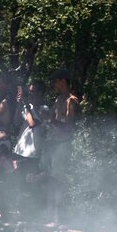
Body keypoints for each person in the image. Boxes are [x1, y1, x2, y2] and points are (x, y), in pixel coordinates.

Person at [47, 68, 79, 221]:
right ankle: (53, 216)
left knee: (59, 181)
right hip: (54, 145)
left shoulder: (71, 101)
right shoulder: (58, 100)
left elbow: (69, 127)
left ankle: (59, 219)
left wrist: (52, 121)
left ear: (63, 81)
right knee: (52, 180)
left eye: (55, 81)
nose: (53, 84)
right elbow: (51, 120)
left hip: (64, 145)